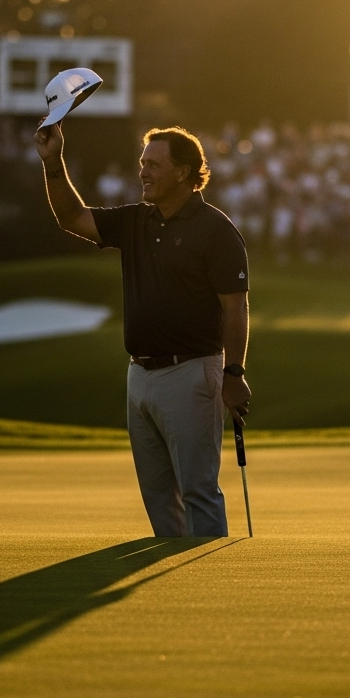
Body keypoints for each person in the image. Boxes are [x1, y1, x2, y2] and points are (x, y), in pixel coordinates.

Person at [34, 122, 251, 537]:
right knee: (157, 498)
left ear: (184, 173)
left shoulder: (215, 230)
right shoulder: (136, 220)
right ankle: (172, 595)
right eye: (142, 163)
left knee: (198, 491)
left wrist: (234, 373)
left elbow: (235, 306)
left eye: (153, 164)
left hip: (192, 374)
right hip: (140, 376)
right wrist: (53, 163)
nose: (143, 172)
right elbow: (71, 217)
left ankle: (213, 587)